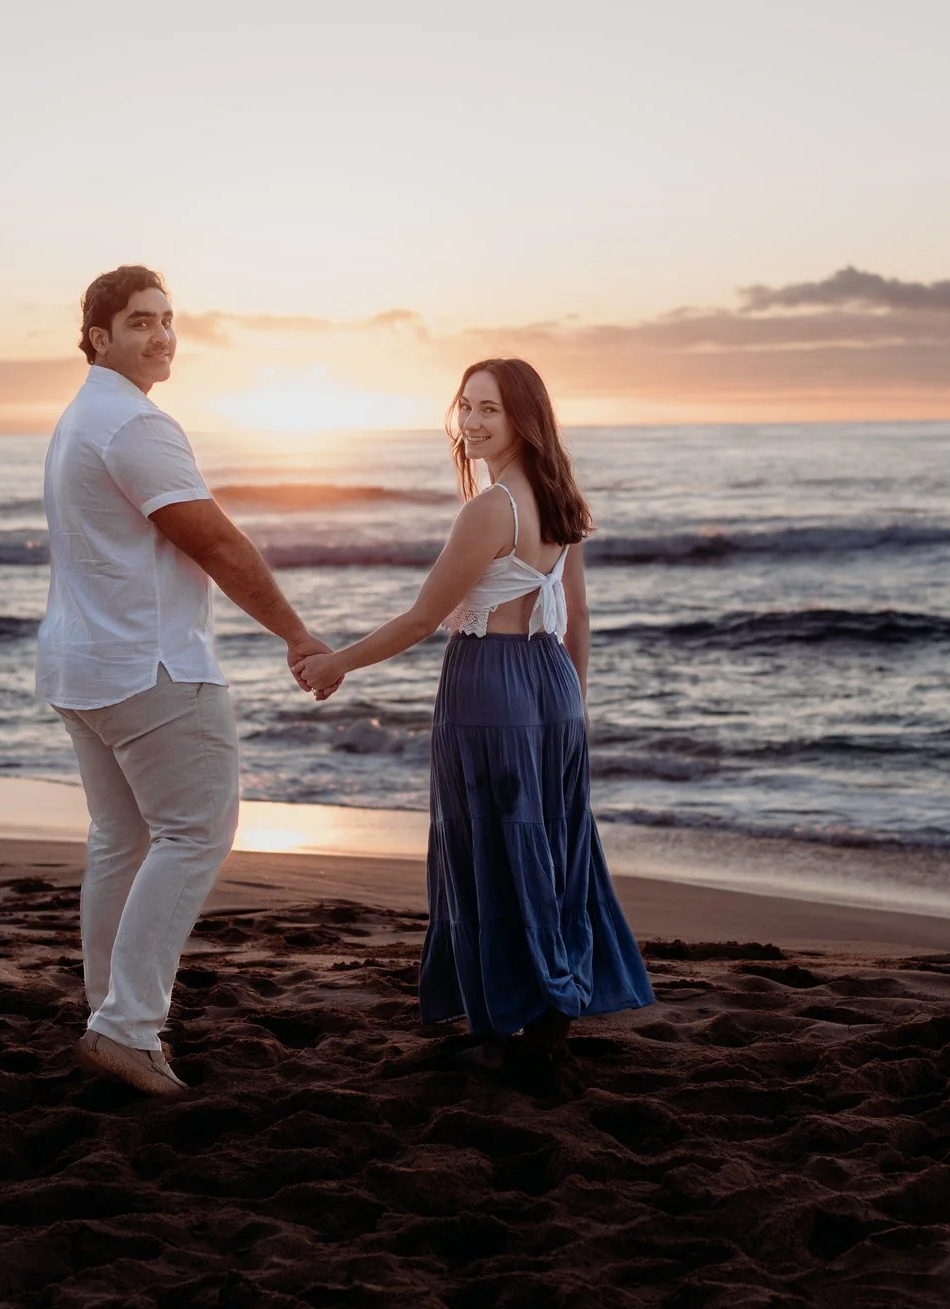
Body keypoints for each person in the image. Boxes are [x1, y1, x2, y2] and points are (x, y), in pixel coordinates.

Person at [295, 358, 653, 1077]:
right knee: (547, 847)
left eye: (490, 409)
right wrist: (569, 707)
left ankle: (505, 1019)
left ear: (524, 417)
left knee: (491, 849)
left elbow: (426, 616)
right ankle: (552, 1015)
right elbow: (575, 617)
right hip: (551, 680)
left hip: (490, 683)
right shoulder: (560, 499)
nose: (474, 422)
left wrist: (339, 662)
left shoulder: (490, 509)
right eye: (466, 407)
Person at [38, 265, 334, 1097]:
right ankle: (128, 1026)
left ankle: (111, 1017)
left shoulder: (79, 419)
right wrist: (296, 632)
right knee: (197, 832)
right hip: (151, 668)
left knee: (122, 842)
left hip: (86, 664)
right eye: (140, 322)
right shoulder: (135, 425)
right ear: (98, 336)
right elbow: (220, 544)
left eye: (168, 319)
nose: (161, 335)